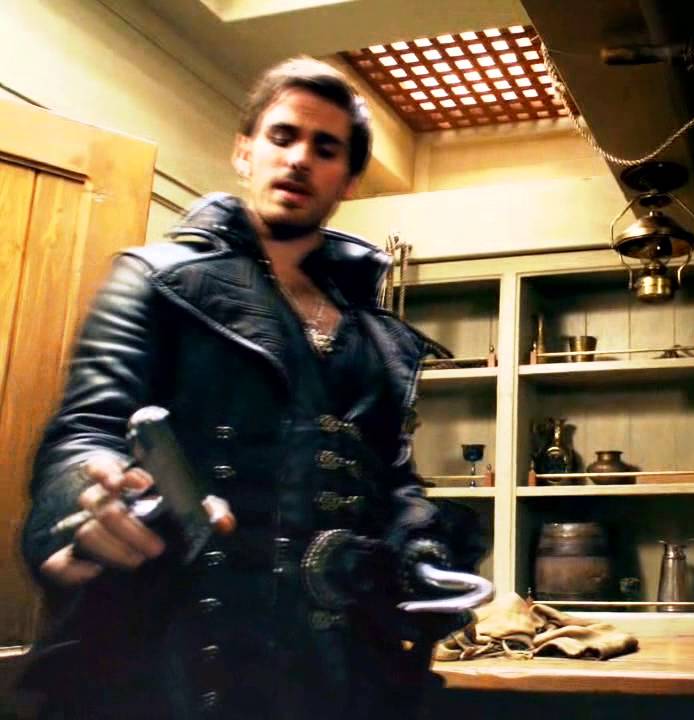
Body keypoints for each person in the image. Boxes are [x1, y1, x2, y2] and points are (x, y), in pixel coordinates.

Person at [18, 56, 482, 719]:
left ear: (348, 180)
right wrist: (89, 505)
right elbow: (85, 434)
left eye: (325, 149)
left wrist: (421, 549)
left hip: (340, 678)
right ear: (244, 151)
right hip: (178, 663)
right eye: (282, 136)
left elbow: (393, 480)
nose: (299, 159)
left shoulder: (376, 337)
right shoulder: (156, 279)